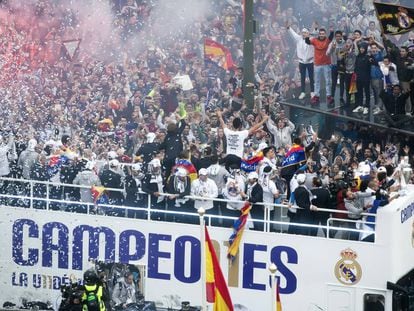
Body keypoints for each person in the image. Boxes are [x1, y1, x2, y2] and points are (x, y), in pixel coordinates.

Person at [305, 28, 333, 105]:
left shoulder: (327, 40)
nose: (321, 35)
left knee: (327, 81)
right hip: (317, 64)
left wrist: (331, 31)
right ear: (319, 34)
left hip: (326, 64)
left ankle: (328, 96)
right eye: (320, 34)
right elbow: (307, 42)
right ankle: (316, 96)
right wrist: (307, 36)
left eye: (323, 33)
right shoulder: (314, 40)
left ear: (325, 34)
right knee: (317, 81)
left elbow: (331, 37)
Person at [286, 24, 315, 100]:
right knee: (302, 78)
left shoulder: (312, 39)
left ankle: (312, 91)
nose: (303, 34)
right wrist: (289, 28)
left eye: (305, 32)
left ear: (308, 33)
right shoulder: (299, 39)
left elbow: (316, 34)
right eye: (302, 32)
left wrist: (314, 29)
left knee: (311, 77)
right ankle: (303, 92)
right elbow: (293, 34)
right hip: (301, 62)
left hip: (310, 61)